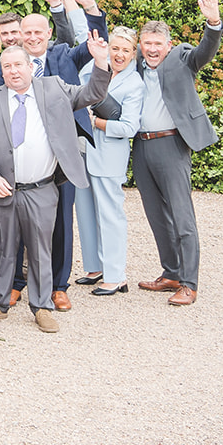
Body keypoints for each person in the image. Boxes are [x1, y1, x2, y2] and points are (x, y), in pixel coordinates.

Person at [0, 34, 112, 333]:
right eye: (6, 67)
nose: (13, 71)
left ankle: (42, 306)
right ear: (1, 71)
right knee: (4, 248)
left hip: (42, 188)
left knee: (40, 249)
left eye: (18, 65)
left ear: (30, 66)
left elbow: (93, 93)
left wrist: (100, 62)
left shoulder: (54, 87)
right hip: (3, 188)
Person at [132, 0, 223, 307]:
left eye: (158, 44)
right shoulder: (135, 67)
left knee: (182, 216)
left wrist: (213, 22)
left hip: (172, 144)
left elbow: (205, 50)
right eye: (147, 44)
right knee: (156, 215)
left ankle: (189, 282)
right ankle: (170, 272)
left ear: (167, 45)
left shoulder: (182, 58)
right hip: (141, 148)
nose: (152, 49)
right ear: (140, 46)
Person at [74, 26, 144, 299]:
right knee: (86, 213)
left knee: (111, 216)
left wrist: (97, 122)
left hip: (109, 156)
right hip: (83, 152)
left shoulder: (133, 83)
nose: (119, 54)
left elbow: (129, 127)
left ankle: (115, 276)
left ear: (133, 54)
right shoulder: (93, 69)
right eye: (115, 48)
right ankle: (94, 268)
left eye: (125, 50)